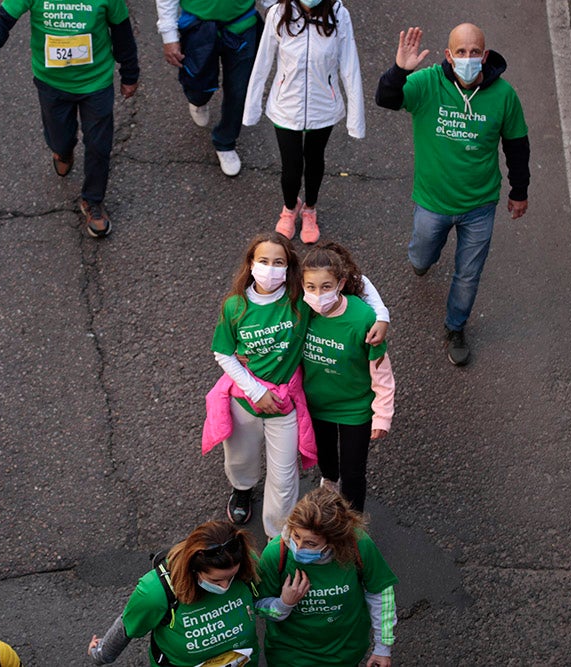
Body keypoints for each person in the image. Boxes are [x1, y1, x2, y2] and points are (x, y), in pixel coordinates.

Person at [203, 232, 389, 538]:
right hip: (245, 399)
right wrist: (255, 390)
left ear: (290, 268)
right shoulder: (234, 306)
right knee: (240, 457)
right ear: (250, 263)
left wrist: (382, 315)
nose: (270, 269)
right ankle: (242, 488)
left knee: (285, 477)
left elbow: (354, 279)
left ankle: (279, 538)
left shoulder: (300, 300)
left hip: (285, 403)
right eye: (263, 261)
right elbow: (223, 353)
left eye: (279, 262)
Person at [375, 24, 530, 366]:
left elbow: (517, 146)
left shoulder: (504, 96)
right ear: (448, 55)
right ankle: (421, 261)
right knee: (422, 253)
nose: (468, 58)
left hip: (480, 205)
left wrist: (520, 191)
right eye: (461, 52)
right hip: (432, 202)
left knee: (468, 274)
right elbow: (386, 99)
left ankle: (455, 327)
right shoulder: (428, 83)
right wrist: (399, 70)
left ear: (485, 56)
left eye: (475, 52)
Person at [0, 0, 140, 238]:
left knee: (99, 146)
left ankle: (93, 201)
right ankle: (63, 151)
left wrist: (129, 74)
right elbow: (1, 19)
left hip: (96, 83)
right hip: (52, 84)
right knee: (60, 138)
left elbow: (122, 32)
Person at [243, 0, 364, 243]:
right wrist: (251, 109)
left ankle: (310, 208)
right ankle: (290, 208)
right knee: (291, 167)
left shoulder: (339, 15)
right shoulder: (278, 13)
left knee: (315, 161)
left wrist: (356, 119)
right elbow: (263, 61)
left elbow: (350, 67)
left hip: (324, 107)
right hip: (285, 106)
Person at [255, 487, 398, 667]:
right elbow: (257, 607)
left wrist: (383, 648)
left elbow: (380, 593)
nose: (298, 548)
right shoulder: (276, 553)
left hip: (345, 653)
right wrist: (284, 603)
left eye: (311, 543)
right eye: (296, 535)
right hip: (291, 656)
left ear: (334, 541)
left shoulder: (359, 545)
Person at [300, 242, 394, 511]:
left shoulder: (364, 318)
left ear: (340, 284)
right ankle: (329, 484)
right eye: (311, 287)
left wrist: (383, 415)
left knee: (353, 474)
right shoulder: (301, 310)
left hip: (356, 410)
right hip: (317, 408)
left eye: (326, 286)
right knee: (327, 461)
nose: (318, 295)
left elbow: (382, 372)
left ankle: (353, 527)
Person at [88, 521, 259, 666]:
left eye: (231, 577)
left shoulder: (247, 563)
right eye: (216, 581)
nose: (225, 586)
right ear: (193, 569)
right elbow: (126, 628)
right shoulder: (155, 592)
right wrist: (100, 653)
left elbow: (263, 602)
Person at [154, 0, 266, 177]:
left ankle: (225, 142)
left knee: (240, 91)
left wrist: (278, 13)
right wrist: (169, 36)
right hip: (198, 27)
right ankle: (198, 101)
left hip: (242, 25)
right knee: (197, 89)